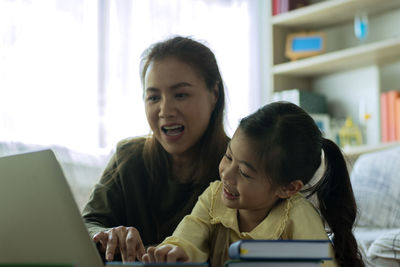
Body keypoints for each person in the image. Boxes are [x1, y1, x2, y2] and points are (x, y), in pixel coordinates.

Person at [142, 102, 365, 267]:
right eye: (228, 157)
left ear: (288, 188)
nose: (227, 175)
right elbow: (189, 234)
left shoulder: (297, 217)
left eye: (245, 173)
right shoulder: (213, 197)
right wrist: (176, 250)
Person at [82, 36, 230, 262]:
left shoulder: (240, 166)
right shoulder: (128, 157)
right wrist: (105, 236)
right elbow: (87, 223)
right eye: (153, 97)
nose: (165, 110)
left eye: (180, 94)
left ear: (214, 94)